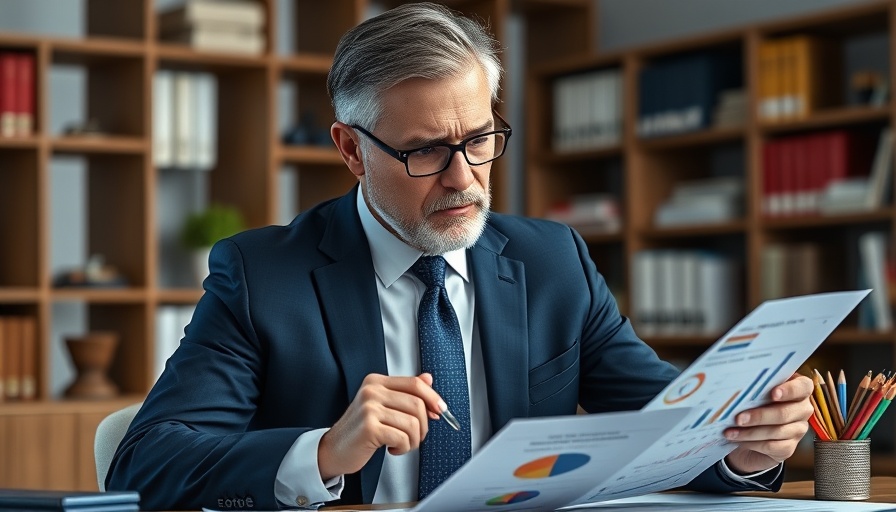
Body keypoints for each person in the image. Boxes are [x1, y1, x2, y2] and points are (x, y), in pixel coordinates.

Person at [106, 3, 814, 510]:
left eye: (479, 139)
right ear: (351, 150)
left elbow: (664, 424)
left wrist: (743, 448)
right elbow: (146, 462)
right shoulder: (263, 275)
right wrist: (322, 451)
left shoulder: (552, 260)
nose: (464, 178)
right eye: (423, 151)